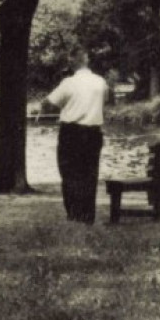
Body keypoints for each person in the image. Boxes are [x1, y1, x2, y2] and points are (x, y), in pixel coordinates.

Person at [46, 53, 110, 224]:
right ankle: (87, 215)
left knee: (69, 174)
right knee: (90, 174)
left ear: (72, 63)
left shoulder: (68, 83)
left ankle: (74, 214)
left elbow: (51, 103)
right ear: (87, 62)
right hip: (93, 132)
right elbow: (105, 100)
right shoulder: (100, 82)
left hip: (71, 132)